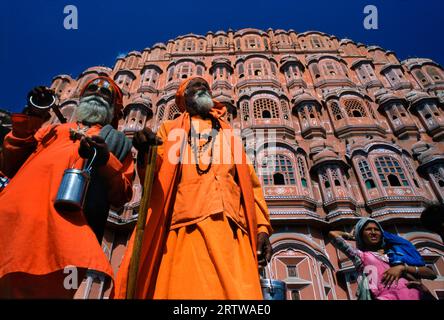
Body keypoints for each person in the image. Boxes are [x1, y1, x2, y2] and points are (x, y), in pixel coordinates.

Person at [114, 76, 273, 299]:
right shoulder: (171, 129)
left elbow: (250, 183)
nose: (202, 88)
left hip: (233, 229)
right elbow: (155, 172)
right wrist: (144, 152)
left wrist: (263, 228)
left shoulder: (229, 133)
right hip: (185, 226)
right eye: (194, 86)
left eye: (205, 86)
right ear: (184, 100)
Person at [0, 76, 134, 298]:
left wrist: (105, 160)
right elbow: (11, 162)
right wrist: (33, 114)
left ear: (114, 110)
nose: (98, 93)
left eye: (106, 94)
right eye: (91, 89)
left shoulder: (115, 142)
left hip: (61, 237)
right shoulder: (54, 130)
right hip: (10, 218)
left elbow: (122, 193)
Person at [329, 217, 436, 300]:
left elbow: (431, 274)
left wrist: (402, 268)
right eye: (368, 230)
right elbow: (333, 235)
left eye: (377, 230)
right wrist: (351, 236)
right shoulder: (361, 256)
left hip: (415, 295)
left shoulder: (395, 252)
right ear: (361, 235)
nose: (373, 232)